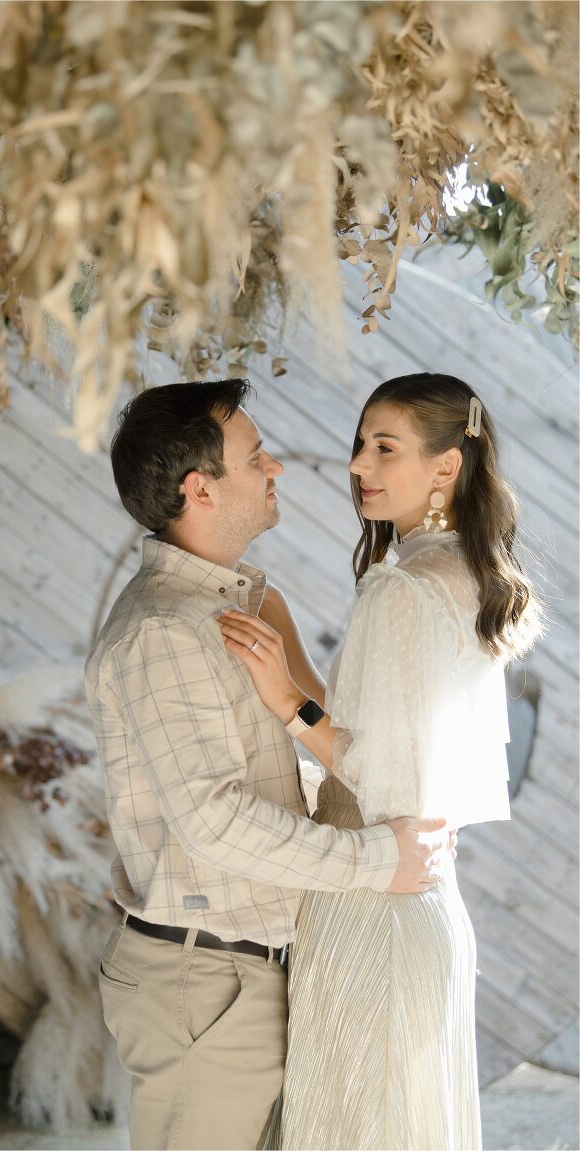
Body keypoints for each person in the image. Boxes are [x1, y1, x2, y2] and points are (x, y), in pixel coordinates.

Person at [84, 379, 449, 1151]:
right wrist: (375, 859)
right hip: (207, 983)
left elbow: (257, 783)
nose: (275, 466)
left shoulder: (223, 611)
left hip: (238, 974)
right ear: (200, 489)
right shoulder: (164, 631)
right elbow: (213, 818)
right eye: (256, 457)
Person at [218, 373, 543, 1151]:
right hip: (427, 907)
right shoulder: (465, 573)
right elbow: (395, 739)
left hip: (372, 903)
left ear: (446, 466)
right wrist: (291, 653)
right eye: (361, 443)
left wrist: (286, 701)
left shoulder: (401, 587)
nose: (359, 464)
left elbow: (380, 775)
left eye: (385, 448)